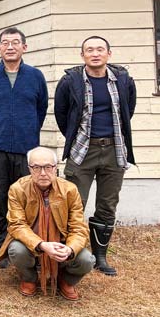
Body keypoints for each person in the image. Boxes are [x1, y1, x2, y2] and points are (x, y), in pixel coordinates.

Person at [54, 35, 137, 277]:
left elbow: (127, 111)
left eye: (100, 49)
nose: (95, 54)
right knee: (73, 202)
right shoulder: (71, 81)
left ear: (109, 54)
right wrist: (77, 135)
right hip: (83, 150)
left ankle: (100, 255)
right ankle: (71, 252)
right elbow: (62, 113)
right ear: (82, 56)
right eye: (89, 50)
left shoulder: (122, 80)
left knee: (107, 203)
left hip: (114, 149)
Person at [0, 27, 49, 259]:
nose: (10, 47)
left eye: (15, 42)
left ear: (24, 47)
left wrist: (27, 131)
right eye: (5, 43)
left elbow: (41, 108)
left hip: (27, 151)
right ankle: (0, 247)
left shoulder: (35, 76)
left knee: (28, 197)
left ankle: (27, 244)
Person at [0, 147, 94, 301]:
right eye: (36, 167)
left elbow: (78, 227)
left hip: (61, 245)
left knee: (86, 260)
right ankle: (30, 278)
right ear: (29, 169)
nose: (43, 173)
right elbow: (17, 225)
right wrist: (42, 245)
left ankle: (66, 280)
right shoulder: (17, 189)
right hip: (33, 245)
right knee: (16, 250)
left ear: (56, 168)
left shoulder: (70, 190)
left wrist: (69, 249)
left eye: (48, 167)